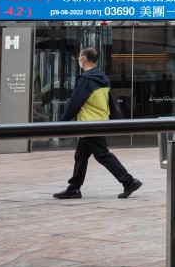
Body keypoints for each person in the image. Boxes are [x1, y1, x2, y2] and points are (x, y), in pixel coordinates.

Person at [52, 47, 142, 199]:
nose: (78, 59)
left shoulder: (86, 79)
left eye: (79, 56)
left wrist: (60, 124)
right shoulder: (102, 77)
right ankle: (74, 188)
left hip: (90, 123)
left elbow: (74, 103)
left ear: (84, 58)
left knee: (102, 154)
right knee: (81, 155)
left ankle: (129, 181)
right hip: (99, 121)